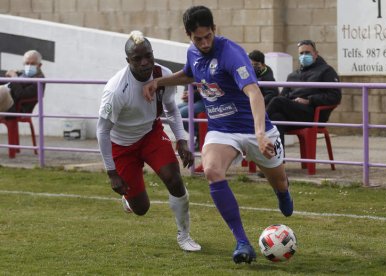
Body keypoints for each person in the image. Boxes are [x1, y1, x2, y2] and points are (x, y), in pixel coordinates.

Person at [143, 6, 293, 264]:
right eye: (197, 38)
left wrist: (259, 133)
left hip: (253, 128)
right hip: (222, 130)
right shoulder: (192, 52)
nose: (203, 43)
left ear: (214, 29)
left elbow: (254, 93)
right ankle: (242, 242)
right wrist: (159, 82)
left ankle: (282, 192)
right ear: (188, 35)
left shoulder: (232, 54)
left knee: (279, 182)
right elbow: (190, 75)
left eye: (207, 36)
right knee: (212, 170)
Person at [96, 31, 201, 252]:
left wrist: (181, 139)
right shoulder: (116, 90)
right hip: (121, 145)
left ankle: (184, 235)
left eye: (148, 56)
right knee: (141, 208)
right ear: (128, 61)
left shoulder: (163, 74)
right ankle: (129, 198)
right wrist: (111, 172)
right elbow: (103, 131)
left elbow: (172, 108)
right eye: (137, 59)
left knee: (174, 179)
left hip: (151, 134)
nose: (145, 63)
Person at [266, 40, 341, 147]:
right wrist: (290, 101)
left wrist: (309, 100)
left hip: (312, 114)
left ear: (316, 54)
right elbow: (283, 96)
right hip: (293, 112)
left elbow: (335, 96)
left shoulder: (326, 71)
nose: (304, 56)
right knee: (276, 118)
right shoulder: (293, 75)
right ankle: (278, 161)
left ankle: (256, 126)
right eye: (301, 53)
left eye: (307, 53)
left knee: (277, 101)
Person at [0, 50, 44, 114]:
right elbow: (5, 82)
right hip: (3, 99)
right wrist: (8, 75)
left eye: (33, 64)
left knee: (2, 89)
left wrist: (14, 78)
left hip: (14, 106)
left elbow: (21, 94)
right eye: (27, 63)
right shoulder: (21, 73)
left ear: (39, 65)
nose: (29, 66)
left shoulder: (40, 80)